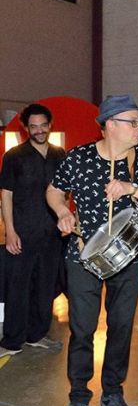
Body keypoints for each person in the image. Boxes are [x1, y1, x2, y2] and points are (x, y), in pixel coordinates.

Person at [46, 94, 138, 406]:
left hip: (128, 259)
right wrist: (62, 211)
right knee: (82, 329)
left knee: (120, 327)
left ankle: (113, 394)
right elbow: (54, 191)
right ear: (111, 125)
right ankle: (78, 398)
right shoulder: (78, 157)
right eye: (134, 122)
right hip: (83, 256)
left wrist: (132, 188)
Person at [0, 104, 65, 358]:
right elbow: (6, 195)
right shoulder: (14, 156)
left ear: (50, 125)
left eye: (43, 125)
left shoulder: (59, 154)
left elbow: (66, 192)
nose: (39, 130)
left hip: (52, 234)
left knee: (45, 287)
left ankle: (36, 335)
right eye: (33, 126)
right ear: (26, 128)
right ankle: (12, 340)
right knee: (18, 287)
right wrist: (10, 231)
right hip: (23, 233)